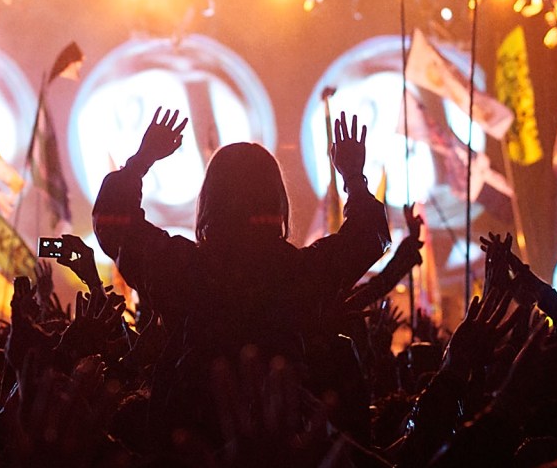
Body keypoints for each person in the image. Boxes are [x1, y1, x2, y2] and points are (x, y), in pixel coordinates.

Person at [92, 108, 391, 425]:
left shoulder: (182, 270)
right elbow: (369, 236)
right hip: (284, 439)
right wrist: (354, 178)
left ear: (209, 200)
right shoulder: (301, 273)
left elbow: (115, 224)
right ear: (277, 202)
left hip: (190, 438)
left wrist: (141, 161)